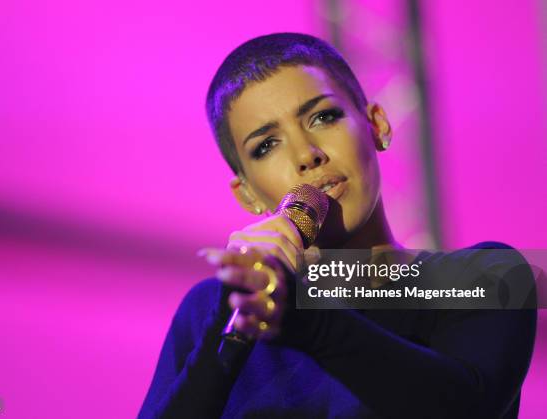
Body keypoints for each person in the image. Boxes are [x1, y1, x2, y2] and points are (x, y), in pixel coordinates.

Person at [137, 33, 537, 418]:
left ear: (377, 125)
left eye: (323, 117)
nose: (306, 155)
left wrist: (306, 317)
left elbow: (464, 408)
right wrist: (228, 332)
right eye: (266, 145)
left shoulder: (485, 276)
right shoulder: (214, 309)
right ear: (248, 196)